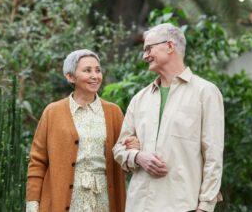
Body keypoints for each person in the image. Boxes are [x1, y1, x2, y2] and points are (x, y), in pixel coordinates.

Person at [113, 23, 224, 212]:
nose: (144, 55)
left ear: (170, 46)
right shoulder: (139, 99)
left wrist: (205, 207)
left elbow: (213, 156)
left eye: (149, 48)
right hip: (139, 205)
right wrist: (138, 156)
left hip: (182, 206)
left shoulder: (206, 92)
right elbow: (118, 149)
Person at [26, 49, 139, 212]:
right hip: (64, 201)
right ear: (70, 76)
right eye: (87, 70)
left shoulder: (113, 112)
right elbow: (38, 161)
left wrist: (132, 146)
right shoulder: (52, 112)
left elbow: (123, 154)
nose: (95, 76)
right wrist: (32, 204)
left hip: (103, 201)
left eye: (98, 70)